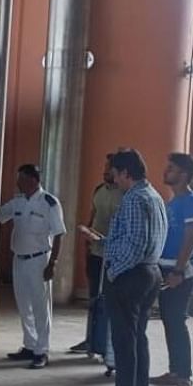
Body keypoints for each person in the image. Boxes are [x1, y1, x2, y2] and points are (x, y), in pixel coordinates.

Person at [86, 149, 166, 386]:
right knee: (137, 340)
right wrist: (107, 242)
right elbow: (140, 239)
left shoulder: (134, 199)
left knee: (124, 344)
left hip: (131, 276)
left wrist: (113, 271)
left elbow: (134, 246)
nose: (112, 177)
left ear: (126, 173)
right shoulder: (153, 196)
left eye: (114, 172)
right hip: (149, 273)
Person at [0, 164, 66, 369]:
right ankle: (30, 345)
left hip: (39, 260)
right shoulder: (18, 201)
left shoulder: (49, 203)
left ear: (33, 180)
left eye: (21, 178)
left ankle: (42, 351)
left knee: (41, 307)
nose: (17, 182)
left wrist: (53, 263)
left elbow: (59, 234)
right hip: (19, 259)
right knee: (24, 305)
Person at [149, 152, 193, 386]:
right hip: (165, 266)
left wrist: (179, 270)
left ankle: (184, 377)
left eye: (171, 169)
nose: (166, 172)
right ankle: (174, 371)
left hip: (179, 270)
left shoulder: (192, 202)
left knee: (176, 320)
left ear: (183, 174)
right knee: (170, 321)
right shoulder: (173, 202)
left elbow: (191, 236)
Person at [69, 154, 122, 363]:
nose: (105, 171)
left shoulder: (126, 194)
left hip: (115, 255)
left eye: (109, 168)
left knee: (111, 300)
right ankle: (90, 338)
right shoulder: (99, 190)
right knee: (93, 298)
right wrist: (86, 244)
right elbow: (92, 216)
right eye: (105, 167)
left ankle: (106, 344)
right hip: (96, 252)